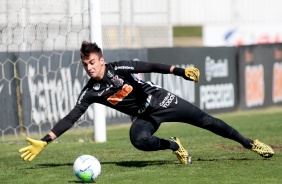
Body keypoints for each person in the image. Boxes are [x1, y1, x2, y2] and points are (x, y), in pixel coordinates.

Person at [19, 41, 274, 164]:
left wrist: (180, 71)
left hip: (162, 101)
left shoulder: (119, 68)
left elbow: (150, 66)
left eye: (92, 62)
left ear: (101, 60)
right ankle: (173, 144)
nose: (89, 67)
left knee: (207, 121)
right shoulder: (91, 91)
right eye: (85, 64)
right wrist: (45, 140)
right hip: (144, 117)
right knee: (138, 140)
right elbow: (71, 116)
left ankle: (250, 144)